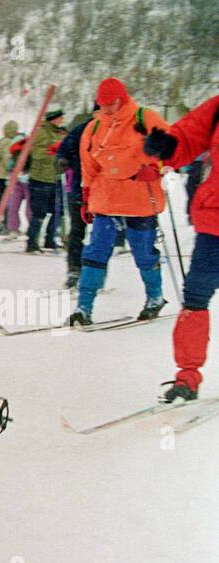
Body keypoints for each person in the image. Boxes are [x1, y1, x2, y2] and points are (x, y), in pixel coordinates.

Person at [69, 77, 169, 327]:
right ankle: (83, 308)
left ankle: (155, 298)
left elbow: (172, 148)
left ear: (122, 98)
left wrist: (158, 167)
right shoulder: (93, 129)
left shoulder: (145, 119)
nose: (106, 109)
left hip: (140, 199)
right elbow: (88, 166)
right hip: (107, 199)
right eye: (102, 105)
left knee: (144, 254)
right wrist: (86, 197)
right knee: (95, 252)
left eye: (111, 104)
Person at [143, 93, 218, 401]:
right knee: (196, 295)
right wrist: (167, 147)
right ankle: (187, 378)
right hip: (216, 219)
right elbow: (189, 136)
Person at [56, 109, 96, 288]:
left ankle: (95, 272)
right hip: (80, 189)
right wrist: (61, 160)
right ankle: (74, 269)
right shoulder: (81, 130)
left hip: (105, 192)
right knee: (77, 232)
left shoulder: (115, 131)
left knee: (100, 235)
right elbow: (63, 150)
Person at [26, 109, 67, 252]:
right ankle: (32, 242)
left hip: (55, 178)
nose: (62, 121)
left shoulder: (60, 133)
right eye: (60, 118)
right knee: (39, 212)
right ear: (53, 119)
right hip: (40, 178)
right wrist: (53, 152)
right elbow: (35, 153)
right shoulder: (41, 132)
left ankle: (50, 239)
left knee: (58, 210)